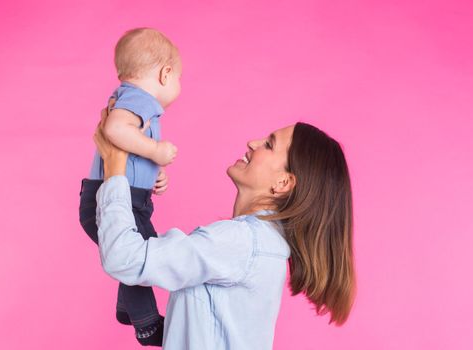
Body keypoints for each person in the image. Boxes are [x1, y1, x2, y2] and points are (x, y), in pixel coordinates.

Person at [93, 107, 357, 349]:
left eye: (268, 144)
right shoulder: (263, 247)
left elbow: (124, 258)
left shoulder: (242, 243)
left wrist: (115, 168)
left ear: (283, 182)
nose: (252, 143)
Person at [79, 28, 181, 346]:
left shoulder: (130, 98)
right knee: (142, 256)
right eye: (180, 77)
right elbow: (115, 129)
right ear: (165, 74)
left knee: (139, 253)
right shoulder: (139, 99)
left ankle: (128, 308)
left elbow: (127, 143)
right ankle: (147, 324)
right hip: (114, 198)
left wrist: (153, 174)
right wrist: (156, 151)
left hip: (125, 195)